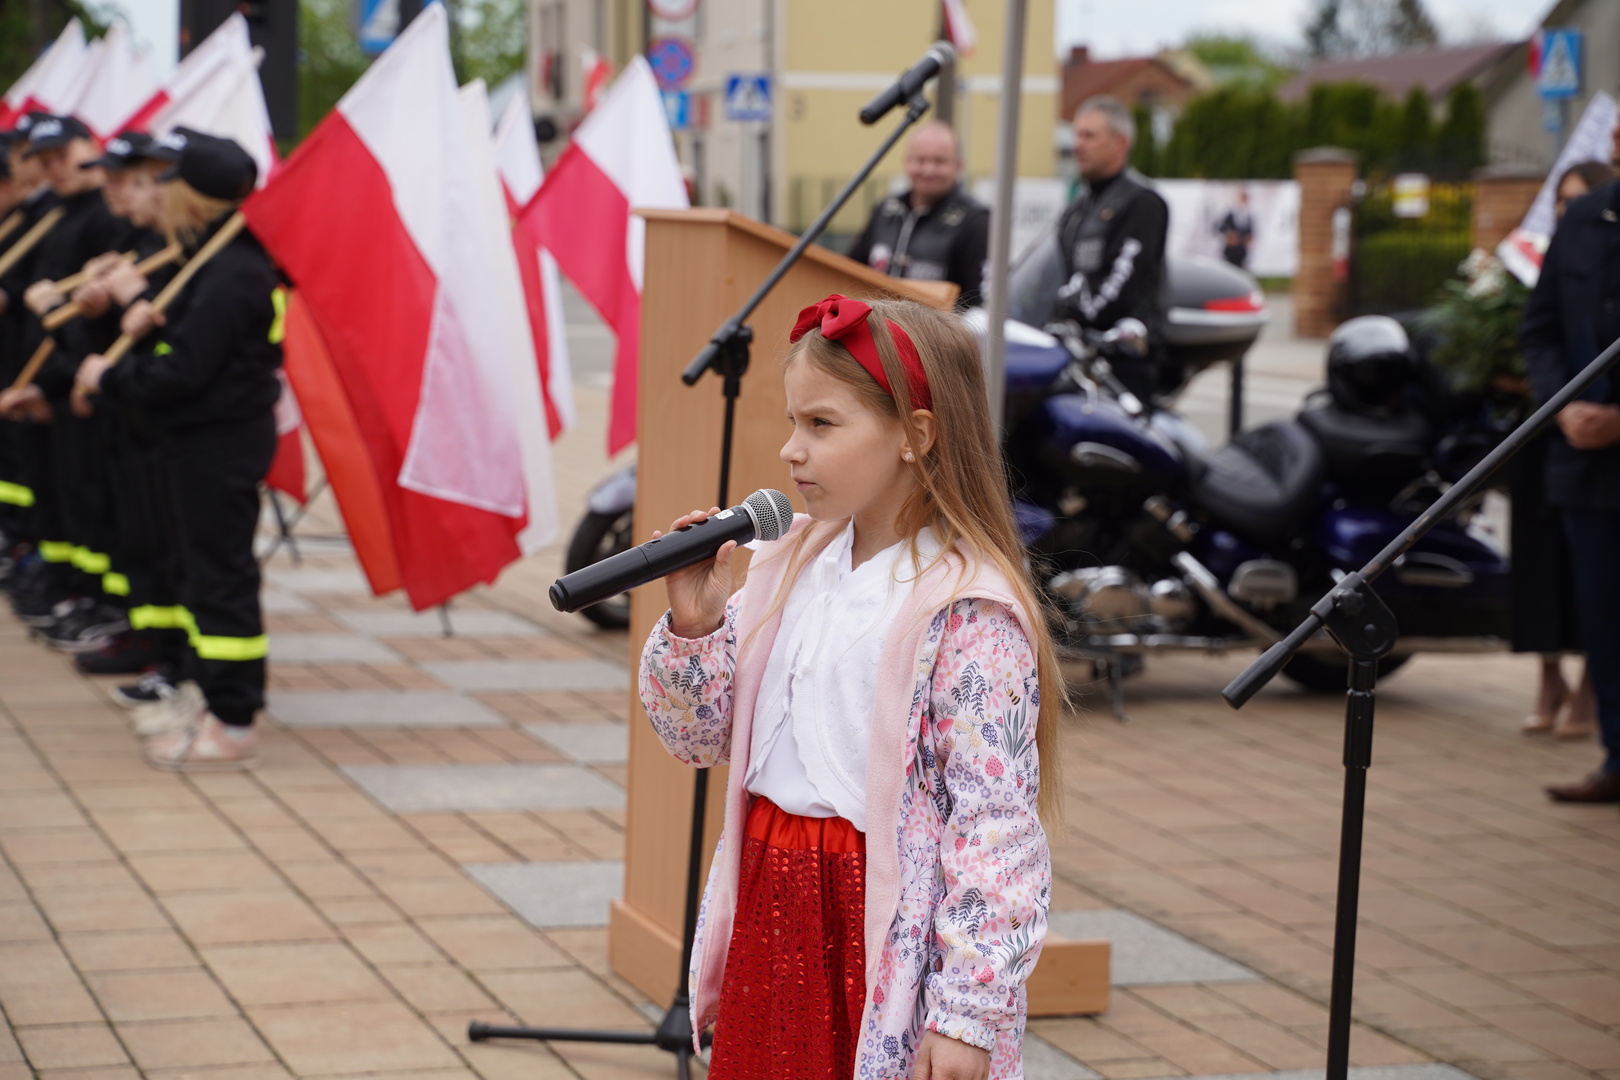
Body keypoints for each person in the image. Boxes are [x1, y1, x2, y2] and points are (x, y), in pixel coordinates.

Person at [638, 294, 1063, 1079]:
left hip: (876, 930)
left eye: (821, 424)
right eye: (792, 422)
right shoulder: (787, 566)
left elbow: (995, 827)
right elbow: (697, 739)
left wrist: (966, 1015)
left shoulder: (967, 611)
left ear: (915, 435)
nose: (791, 450)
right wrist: (698, 627)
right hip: (773, 900)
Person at [74, 130, 283, 771]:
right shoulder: (207, 260)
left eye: (169, 183)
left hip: (218, 442)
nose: (157, 193)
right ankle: (206, 694)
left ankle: (234, 718)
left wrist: (111, 376)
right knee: (197, 575)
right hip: (195, 440)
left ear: (192, 196)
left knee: (220, 578)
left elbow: (184, 371)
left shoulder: (233, 270)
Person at [1520, 136, 1620, 803]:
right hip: (1586, 467)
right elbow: (1541, 328)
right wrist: (1564, 405)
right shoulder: (1583, 219)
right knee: (1604, 621)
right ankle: (1617, 759)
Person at [1054, 95, 1169, 399]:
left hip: (1122, 361)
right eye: (1077, 135)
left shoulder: (1142, 203)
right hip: (1075, 353)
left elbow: (1120, 285)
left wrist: (1074, 319)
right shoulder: (1077, 208)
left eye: (1089, 136)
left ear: (1120, 144)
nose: (1078, 145)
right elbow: (1057, 275)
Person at [847, 121, 990, 308]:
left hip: (937, 326)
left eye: (939, 161)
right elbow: (850, 272)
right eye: (920, 160)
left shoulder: (976, 220)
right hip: (876, 322)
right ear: (907, 161)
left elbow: (978, 305)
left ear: (958, 166)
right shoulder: (885, 210)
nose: (928, 170)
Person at [1216, 189, 1255, 269]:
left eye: (1246, 198)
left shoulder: (1249, 216)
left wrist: (1248, 239)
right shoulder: (1230, 214)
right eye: (1242, 198)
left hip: (1241, 252)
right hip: (1230, 251)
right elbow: (1220, 228)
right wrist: (1230, 234)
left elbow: (1251, 233)